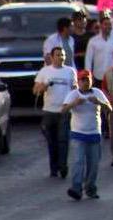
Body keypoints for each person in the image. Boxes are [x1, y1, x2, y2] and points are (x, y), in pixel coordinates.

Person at [62, 69, 112, 200]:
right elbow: (63, 110)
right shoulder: (73, 94)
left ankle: (90, 188)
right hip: (78, 133)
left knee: (93, 163)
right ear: (78, 82)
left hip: (94, 133)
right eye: (82, 80)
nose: (85, 82)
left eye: (87, 80)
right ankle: (76, 188)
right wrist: (74, 103)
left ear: (91, 80)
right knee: (78, 162)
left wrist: (99, 102)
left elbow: (110, 108)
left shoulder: (97, 93)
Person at [33, 46, 77, 178]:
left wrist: (72, 105)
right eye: (58, 55)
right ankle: (54, 167)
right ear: (52, 57)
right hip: (49, 111)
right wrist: (44, 85)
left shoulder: (70, 71)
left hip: (64, 111)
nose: (61, 58)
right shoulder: (45, 71)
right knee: (52, 141)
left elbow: (75, 90)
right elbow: (35, 91)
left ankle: (63, 166)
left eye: (62, 55)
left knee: (63, 140)